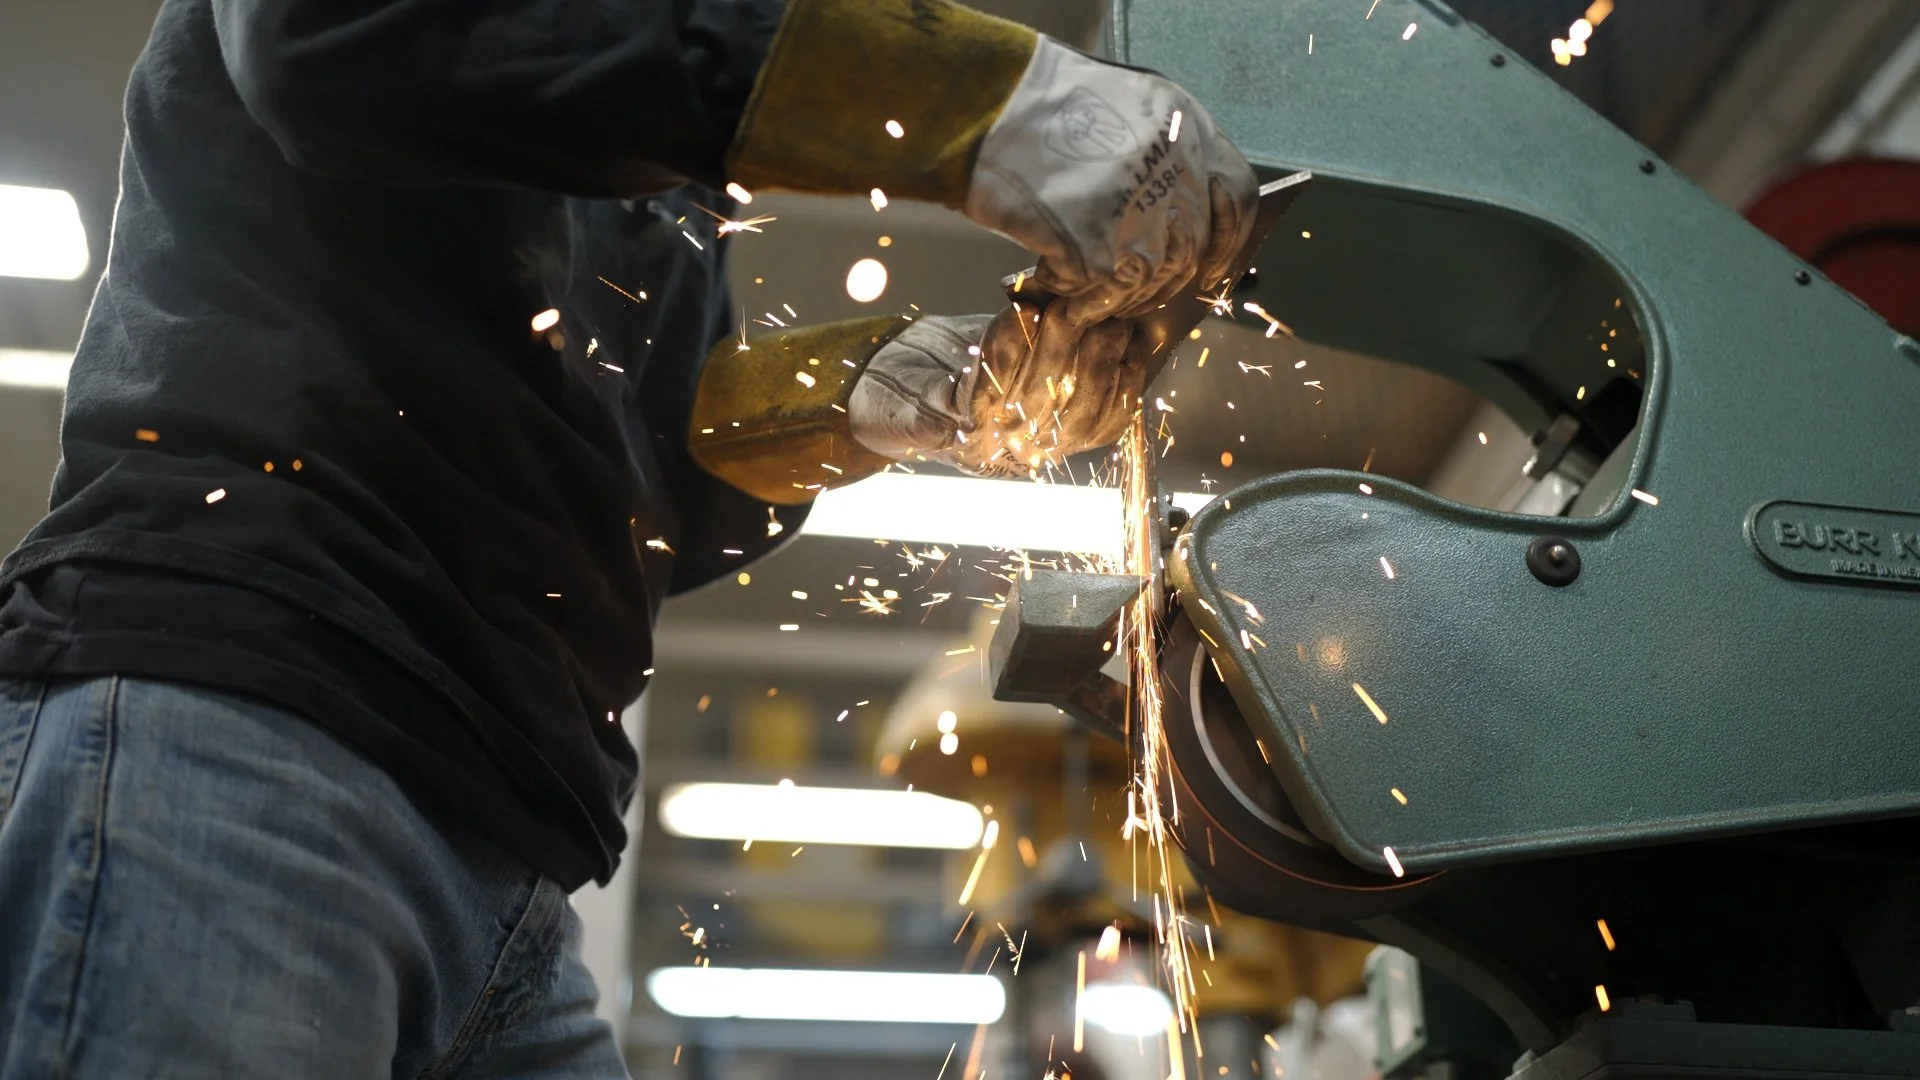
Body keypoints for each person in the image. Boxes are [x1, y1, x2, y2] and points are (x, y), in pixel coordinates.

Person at [0, 0, 1256, 1073]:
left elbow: (673, 462)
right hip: (253, 708)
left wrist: (900, 391)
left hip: (509, 848)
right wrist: (983, 101)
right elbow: (332, 41)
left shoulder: (642, 160)